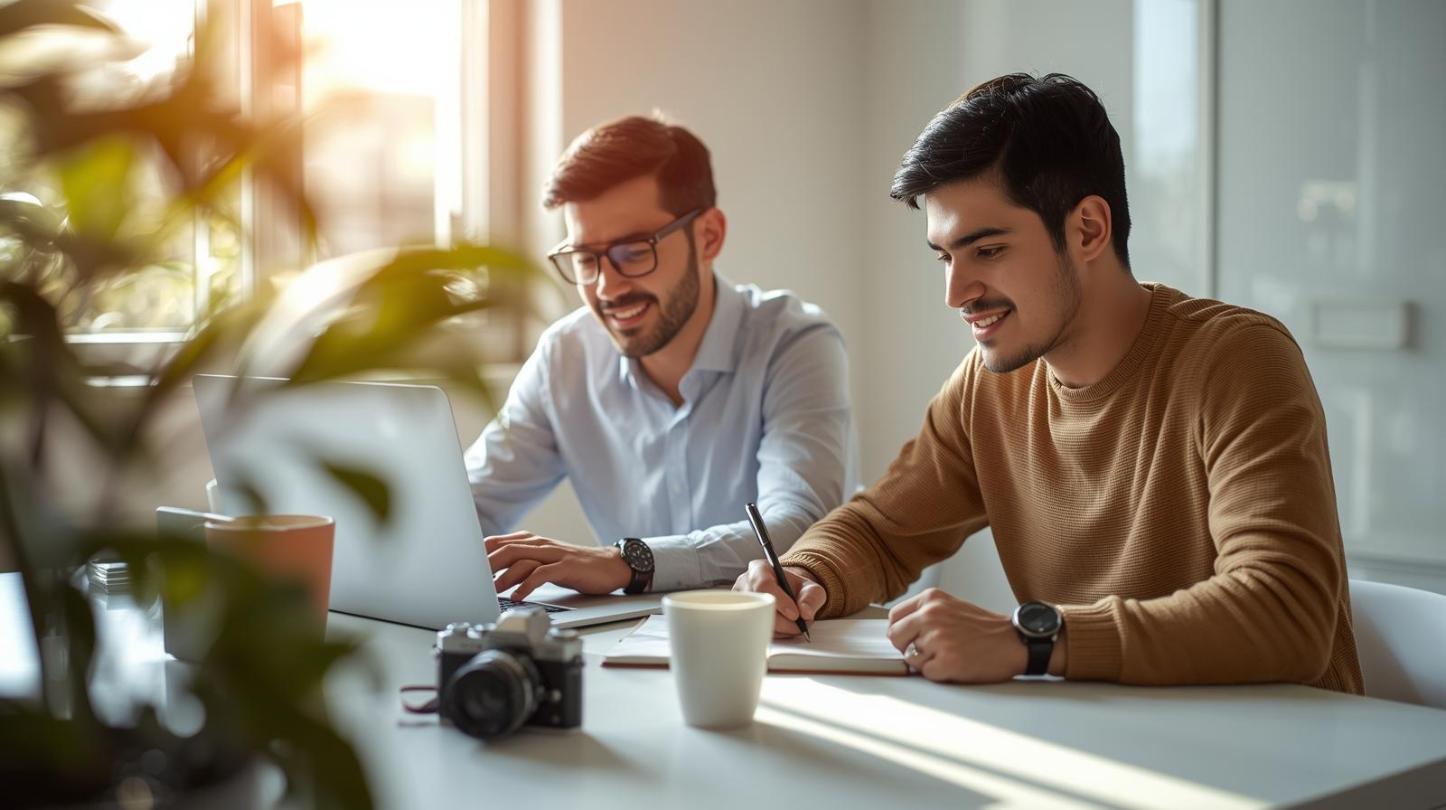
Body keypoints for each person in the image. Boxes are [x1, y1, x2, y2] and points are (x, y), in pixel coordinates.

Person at [735, 73, 1362, 693]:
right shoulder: (989, 388)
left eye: (987, 250)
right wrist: (801, 574)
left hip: (1298, 767)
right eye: (945, 256)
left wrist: (1031, 640)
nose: (956, 293)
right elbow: (879, 532)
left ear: (1088, 229)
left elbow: (1286, 612)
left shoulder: (1238, 360)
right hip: (1114, 751)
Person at [468, 114, 852, 601]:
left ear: (709, 237)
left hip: (778, 645)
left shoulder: (794, 344)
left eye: (633, 250)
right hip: (622, 647)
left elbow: (800, 527)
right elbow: (465, 512)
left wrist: (625, 562)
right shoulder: (565, 358)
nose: (607, 287)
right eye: (586, 259)